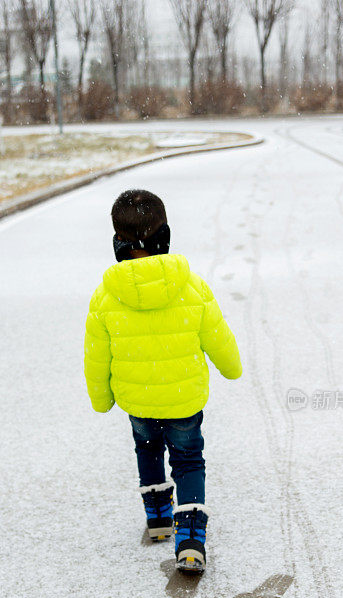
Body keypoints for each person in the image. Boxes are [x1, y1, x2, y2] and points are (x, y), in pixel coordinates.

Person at [83, 189, 242, 573]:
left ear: (118, 243)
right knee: (188, 460)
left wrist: (102, 398)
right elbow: (218, 337)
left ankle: (157, 519)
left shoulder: (105, 297)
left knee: (148, 449)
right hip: (184, 398)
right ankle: (190, 540)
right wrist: (231, 367)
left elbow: (96, 357)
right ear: (165, 237)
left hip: (137, 399)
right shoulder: (192, 287)